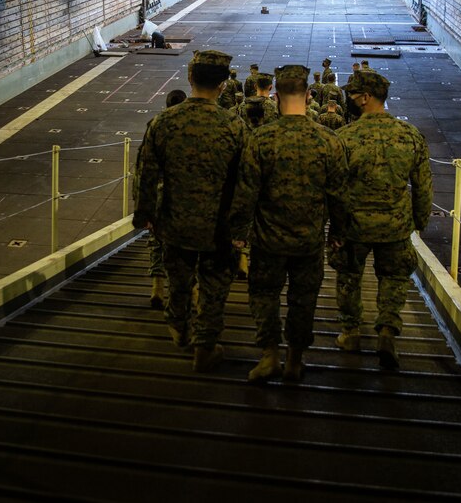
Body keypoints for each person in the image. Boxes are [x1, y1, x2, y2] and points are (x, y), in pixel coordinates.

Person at [230, 65, 349, 383]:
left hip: (268, 240)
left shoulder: (261, 140)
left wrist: (239, 235)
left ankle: (269, 356)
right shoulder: (328, 140)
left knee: (264, 294)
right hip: (309, 241)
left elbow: (246, 192)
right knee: (303, 298)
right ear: (309, 95)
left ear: (277, 96)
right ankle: (295, 360)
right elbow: (338, 195)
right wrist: (337, 233)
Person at [134, 50, 247, 373]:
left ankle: (178, 329)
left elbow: (147, 175)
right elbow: (245, 183)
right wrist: (241, 230)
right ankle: (205, 346)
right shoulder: (234, 127)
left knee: (179, 282)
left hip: (174, 223)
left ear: (189, 79)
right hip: (218, 228)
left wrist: (145, 216)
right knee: (212, 290)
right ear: (224, 86)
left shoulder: (163, 122)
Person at [331, 71, 432, 370]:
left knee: (349, 278)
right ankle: (387, 331)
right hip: (396, 225)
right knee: (394, 279)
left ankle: (350, 332)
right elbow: (423, 186)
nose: (349, 99)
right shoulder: (409, 135)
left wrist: (333, 226)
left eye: (352, 94)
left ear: (365, 98)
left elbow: (334, 188)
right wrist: (419, 221)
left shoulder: (345, 138)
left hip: (354, 226)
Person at [138, 88, 187, 309]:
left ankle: (157, 287)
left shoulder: (155, 126)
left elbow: (143, 168)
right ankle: (188, 292)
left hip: (158, 195)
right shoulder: (191, 129)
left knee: (156, 243)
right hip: (184, 198)